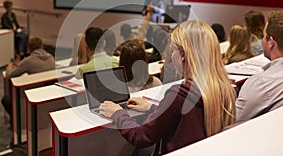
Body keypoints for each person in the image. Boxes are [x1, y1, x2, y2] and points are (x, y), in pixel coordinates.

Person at [99, 20, 236, 155]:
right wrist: (152, 108)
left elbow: (141, 136)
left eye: (172, 50)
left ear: (183, 55)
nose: (170, 55)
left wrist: (117, 113)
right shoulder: (224, 87)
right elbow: (180, 118)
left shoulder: (179, 94)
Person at [236, 11, 283, 122]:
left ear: (271, 43)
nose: (262, 40)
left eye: (264, 36)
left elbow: (233, 119)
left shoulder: (261, 83)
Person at [1, 37, 55, 120]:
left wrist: (9, 68)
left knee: (6, 100)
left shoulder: (28, 61)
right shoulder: (51, 58)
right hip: (50, 93)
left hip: (34, 94)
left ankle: (16, 121)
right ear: (42, 46)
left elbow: (9, 75)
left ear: (29, 49)